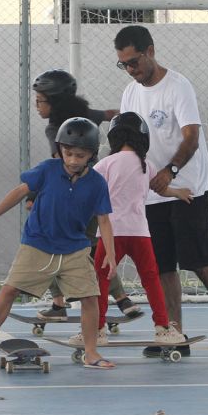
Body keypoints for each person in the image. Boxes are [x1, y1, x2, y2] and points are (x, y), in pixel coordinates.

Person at [114, 25, 208, 357]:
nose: (131, 70)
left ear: (150, 51)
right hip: (151, 193)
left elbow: (191, 136)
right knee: (162, 264)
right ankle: (173, 331)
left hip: (187, 188)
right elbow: (128, 141)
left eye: (134, 61)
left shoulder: (178, 87)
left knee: (200, 259)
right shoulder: (130, 94)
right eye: (123, 64)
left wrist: (170, 171)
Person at [0, 117, 117, 371]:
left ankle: (91, 352)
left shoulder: (97, 183)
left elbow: (104, 220)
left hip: (75, 249)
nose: (72, 160)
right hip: (37, 244)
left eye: (79, 155)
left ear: (91, 154)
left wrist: (110, 254)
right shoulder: (47, 169)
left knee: (91, 297)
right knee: (9, 290)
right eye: (68, 153)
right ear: (60, 150)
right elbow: (21, 191)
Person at [31, 69, 141, 323]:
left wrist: (35, 195)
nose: (37, 106)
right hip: (94, 189)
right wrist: (131, 125)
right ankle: (123, 299)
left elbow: (60, 164)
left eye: (40, 100)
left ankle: (59, 303)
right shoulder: (84, 116)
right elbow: (111, 115)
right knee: (91, 249)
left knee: (50, 241)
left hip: (71, 194)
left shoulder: (56, 129)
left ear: (54, 102)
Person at [71, 111, 190, 347]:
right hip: (139, 233)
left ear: (114, 137)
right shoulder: (146, 165)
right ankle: (163, 328)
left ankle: (96, 331)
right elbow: (160, 188)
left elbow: (86, 189)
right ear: (142, 138)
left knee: (100, 281)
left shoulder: (105, 164)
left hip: (110, 232)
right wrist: (178, 192)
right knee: (151, 279)